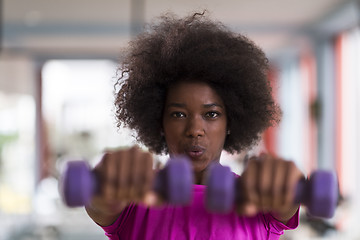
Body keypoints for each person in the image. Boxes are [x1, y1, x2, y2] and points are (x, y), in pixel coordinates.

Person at [85, 11, 304, 240]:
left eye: (211, 114)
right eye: (178, 114)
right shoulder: (133, 199)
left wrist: (287, 180)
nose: (194, 130)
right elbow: (98, 201)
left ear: (231, 122)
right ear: (160, 122)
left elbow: (290, 197)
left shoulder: (257, 200)